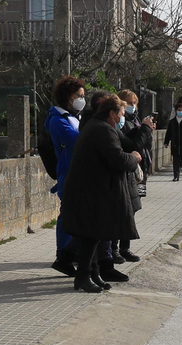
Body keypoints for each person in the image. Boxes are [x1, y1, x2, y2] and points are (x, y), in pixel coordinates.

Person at [59, 92, 140, 294]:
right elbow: (118, 159)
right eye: (121, 113)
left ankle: (93, 273)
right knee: (90, 235)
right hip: (89, 191)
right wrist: (134, 158)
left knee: (94, 234)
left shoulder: (96, 125)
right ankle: (83, 276)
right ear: (112, 113)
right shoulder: (103, 130)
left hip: (92, 190)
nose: (122, 117)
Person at [46, 76, 85, 276]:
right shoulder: (57, 120)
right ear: (68, 96)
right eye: (79, 96)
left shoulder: (73, 117)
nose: (81, 100)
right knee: (67, 216)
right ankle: (63, 255)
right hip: (67, 173)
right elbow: (75, 140)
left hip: (76, 172)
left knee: (75, 215)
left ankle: (72, 253)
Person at [114, 90, 147, 267]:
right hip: (127, 169)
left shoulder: (134, 119)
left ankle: (124, 247)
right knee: (124, 210)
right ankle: (117, 249)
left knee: (132, 208)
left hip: (137, 171)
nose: (132, 106)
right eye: (129, 103)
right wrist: (144, 131)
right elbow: (131, 145)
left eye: (134, 103)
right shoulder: (121, 124)